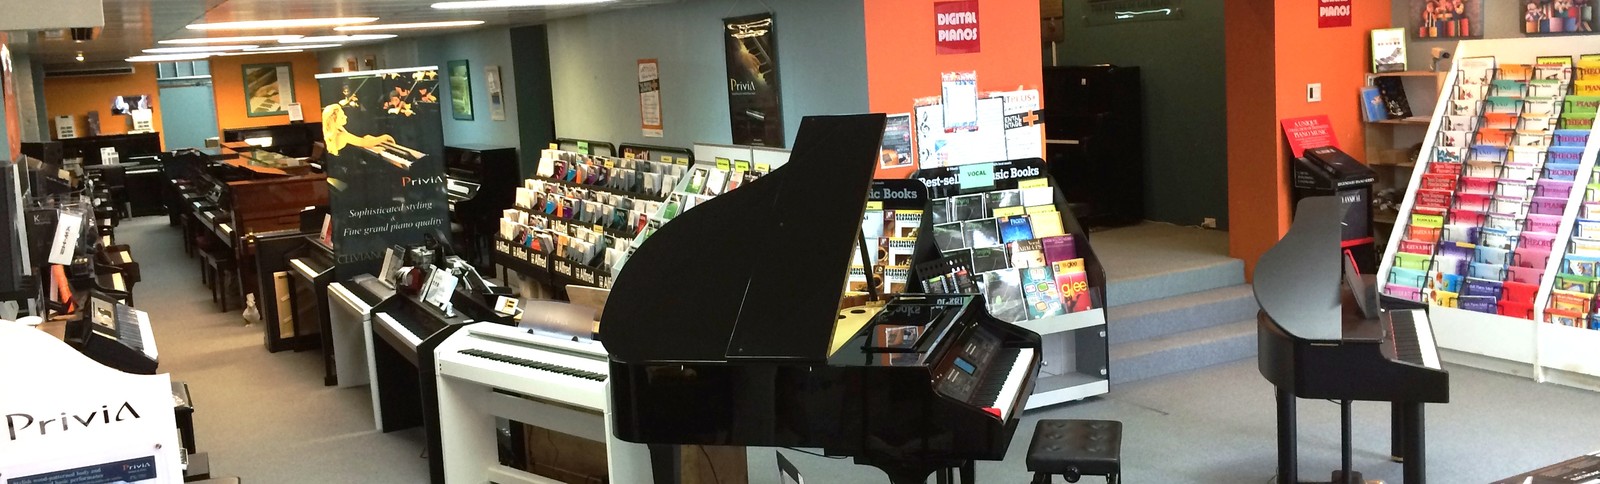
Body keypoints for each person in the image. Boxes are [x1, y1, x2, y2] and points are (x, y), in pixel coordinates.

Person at [320, 102, 395, 156]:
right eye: (342, 116)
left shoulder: (337, 131)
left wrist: (373, 147)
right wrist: (385, 137)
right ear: (334, 120)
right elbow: (364, 143)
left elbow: (358, 142)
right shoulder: (342, 136)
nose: (346, 117)